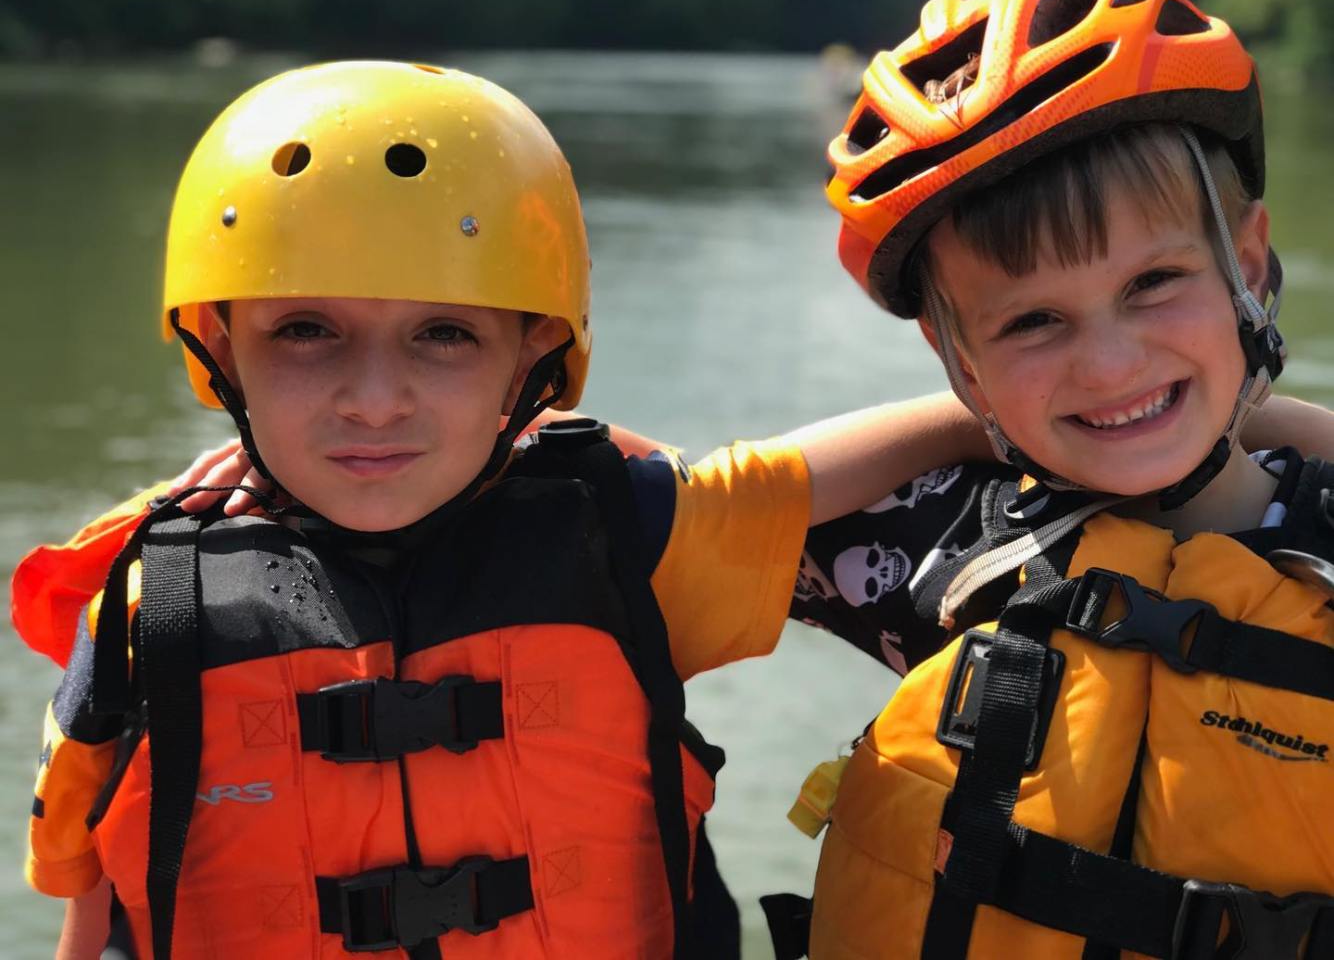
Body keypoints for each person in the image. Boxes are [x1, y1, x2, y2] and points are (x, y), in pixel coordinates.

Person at [11, 59, 997, 960]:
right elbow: (96, 896)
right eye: (304, 330)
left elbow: (794, 475)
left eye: (441, 334)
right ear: (223, 350)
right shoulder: (152, 608)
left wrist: (988, 408)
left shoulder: (618, 534)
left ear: (531, 357)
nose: (372, 398)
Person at [770, 0, 1334, 958]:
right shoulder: (939, 539)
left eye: (1154, 282)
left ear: (1245, 268)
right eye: (1030, 322)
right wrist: (964, 422)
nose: (1107, 365)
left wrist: (1271, 419)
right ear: (957, 361)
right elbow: (681, 503)